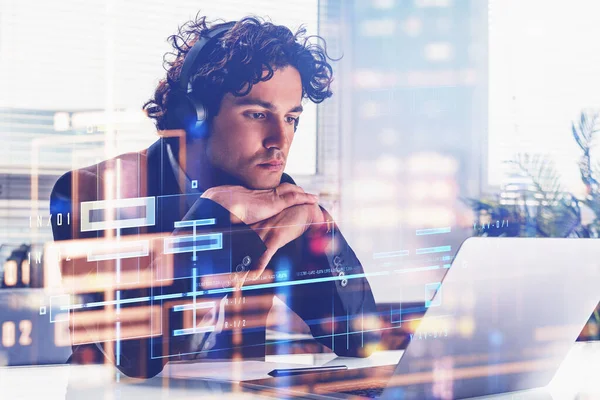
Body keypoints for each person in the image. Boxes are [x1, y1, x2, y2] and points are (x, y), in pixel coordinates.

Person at [50, 15, 380, 378]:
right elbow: (137, 355)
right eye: (257, 114)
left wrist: (317, 223)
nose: (280, 141)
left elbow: (360, 337)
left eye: (291, 119)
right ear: (196, 117)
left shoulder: (274, 198)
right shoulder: (97, 191)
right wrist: (214, 219)